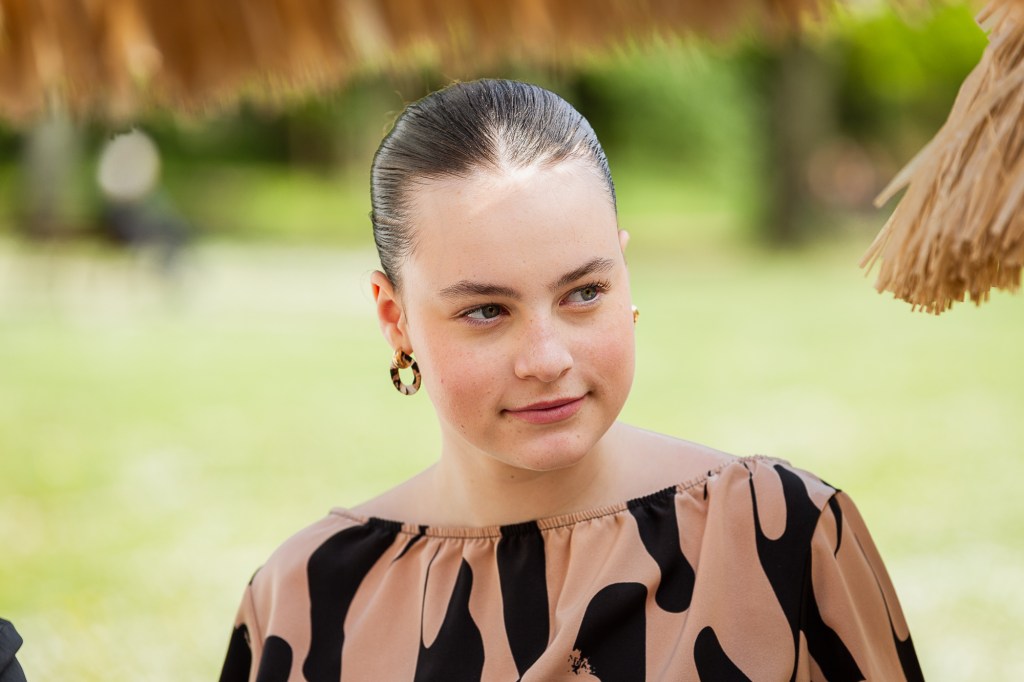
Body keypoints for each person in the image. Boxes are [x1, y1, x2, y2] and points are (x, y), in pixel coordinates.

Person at [219, 79, 924, 681]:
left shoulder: (781, 537)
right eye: (486, 310)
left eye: (584, 292)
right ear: (394, 318)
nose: (547, 358)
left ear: (624, 274)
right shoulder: (302, 601)